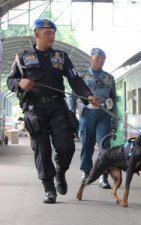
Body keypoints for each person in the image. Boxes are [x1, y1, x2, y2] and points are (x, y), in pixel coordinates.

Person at [7, 18, 100, 204]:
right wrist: (19, 83)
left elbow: (75, 80)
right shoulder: (22, 58)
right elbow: (11, 81)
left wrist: (88, 95)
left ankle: (60, 172)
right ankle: (49, 189)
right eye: (47, 33)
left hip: (57, 107)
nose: (52, 36)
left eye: (53, 33)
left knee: (67, 146)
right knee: (42, 149)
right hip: (35, 109)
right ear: (37, 34)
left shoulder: (61, 57)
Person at [68, 48, 118, 189]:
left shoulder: (109, 78)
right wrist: (71, 115)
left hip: (104, 115)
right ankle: (86, 172)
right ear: (91, 59)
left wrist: (114, 121)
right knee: (87, 145)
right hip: (87, 114)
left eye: (102, 58)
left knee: (105, 146)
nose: (99, 60)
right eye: (96, 57)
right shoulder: (81, 77)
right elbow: (72, 97)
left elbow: (114, 101)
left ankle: (103, 175)